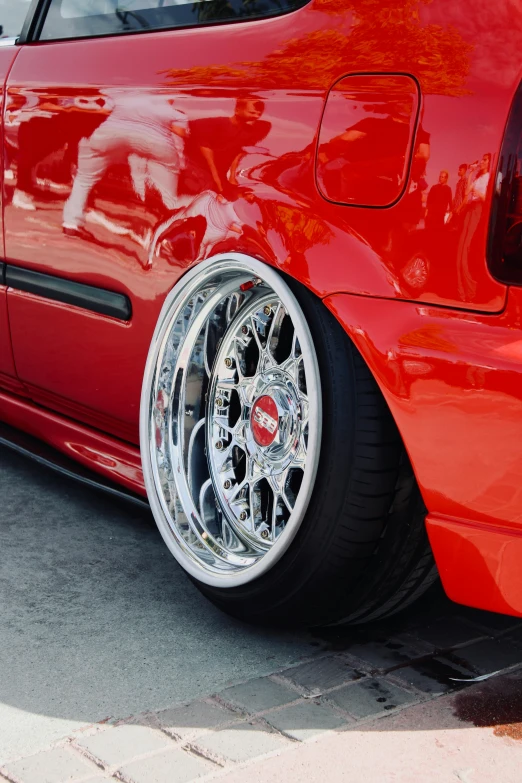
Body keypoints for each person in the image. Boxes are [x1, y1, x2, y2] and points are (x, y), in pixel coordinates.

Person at [62, 91, 188, 236]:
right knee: (169, 194)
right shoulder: (175, 112)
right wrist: (177, 164)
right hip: (154, 142)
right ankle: (169, 233)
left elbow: (103, 111)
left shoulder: (124, 94)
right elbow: (179, 137)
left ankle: (71, 223)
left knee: (84, 178)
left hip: (109, 135)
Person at [181, 97, 270, 197]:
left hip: (219, 172)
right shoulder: (212, 123)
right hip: (196, 169)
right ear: (237, 110)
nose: (256, 117)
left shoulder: (247, 132)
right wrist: (217, 180)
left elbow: (237, 154)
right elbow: (207, 156)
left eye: (259, 114)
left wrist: (232, 176)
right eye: (252, 113)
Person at [457, 153, 491, 299]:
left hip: (478, 208)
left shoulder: (489, 177)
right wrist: (471, 173)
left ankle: (471, 290)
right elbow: (466, 192)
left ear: (489, 163)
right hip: (471, 208)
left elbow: (486, 198)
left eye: (485, 160)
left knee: (466, 249)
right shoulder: (477, 178)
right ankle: (462, 292)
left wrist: (476, 192)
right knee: (460, 249)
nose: (482, 162)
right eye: (482, 160)